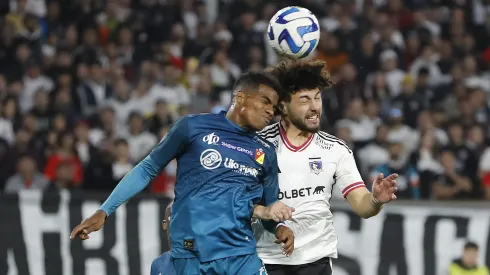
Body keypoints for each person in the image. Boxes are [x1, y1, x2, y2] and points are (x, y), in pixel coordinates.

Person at [70, 71, 295, 275]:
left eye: (274, 108)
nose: (270, 112)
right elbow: (148, 168)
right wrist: (105, 210)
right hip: (192, 255)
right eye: (265, 102)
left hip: (242, 256)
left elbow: (270, 209)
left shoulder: (265, 152)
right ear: (240, 97)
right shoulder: (192, 127)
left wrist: (280, 227)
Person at [254, 60, 399, 275]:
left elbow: (362, 206)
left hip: (315, 260)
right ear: (283, 105)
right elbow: (240, 201)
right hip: (265, 258)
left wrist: (376, 199)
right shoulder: (258, 146)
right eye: (305, 100)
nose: (314, 107)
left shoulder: (336, 149)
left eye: (317, 98)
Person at [150, 202, 176, 275]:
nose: (177, 222)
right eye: (172, 217)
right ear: (165, 224)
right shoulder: (157, 264)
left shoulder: (200, 261)